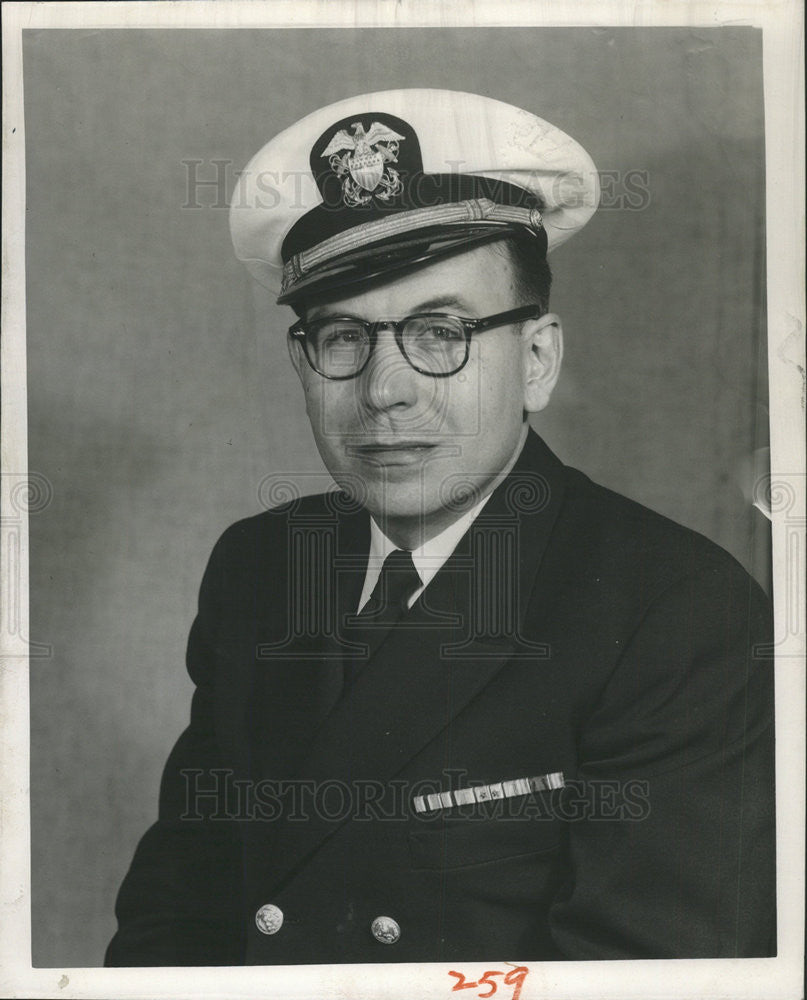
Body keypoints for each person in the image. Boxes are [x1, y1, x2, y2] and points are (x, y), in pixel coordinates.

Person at [105, 89, 775, 966]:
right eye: (342, 336)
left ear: (536, 360)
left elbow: (649, 974)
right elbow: (173, 926)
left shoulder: (674, 613)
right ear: (302, 362)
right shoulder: (260, 568)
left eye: (440, 331)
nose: (385, 390)